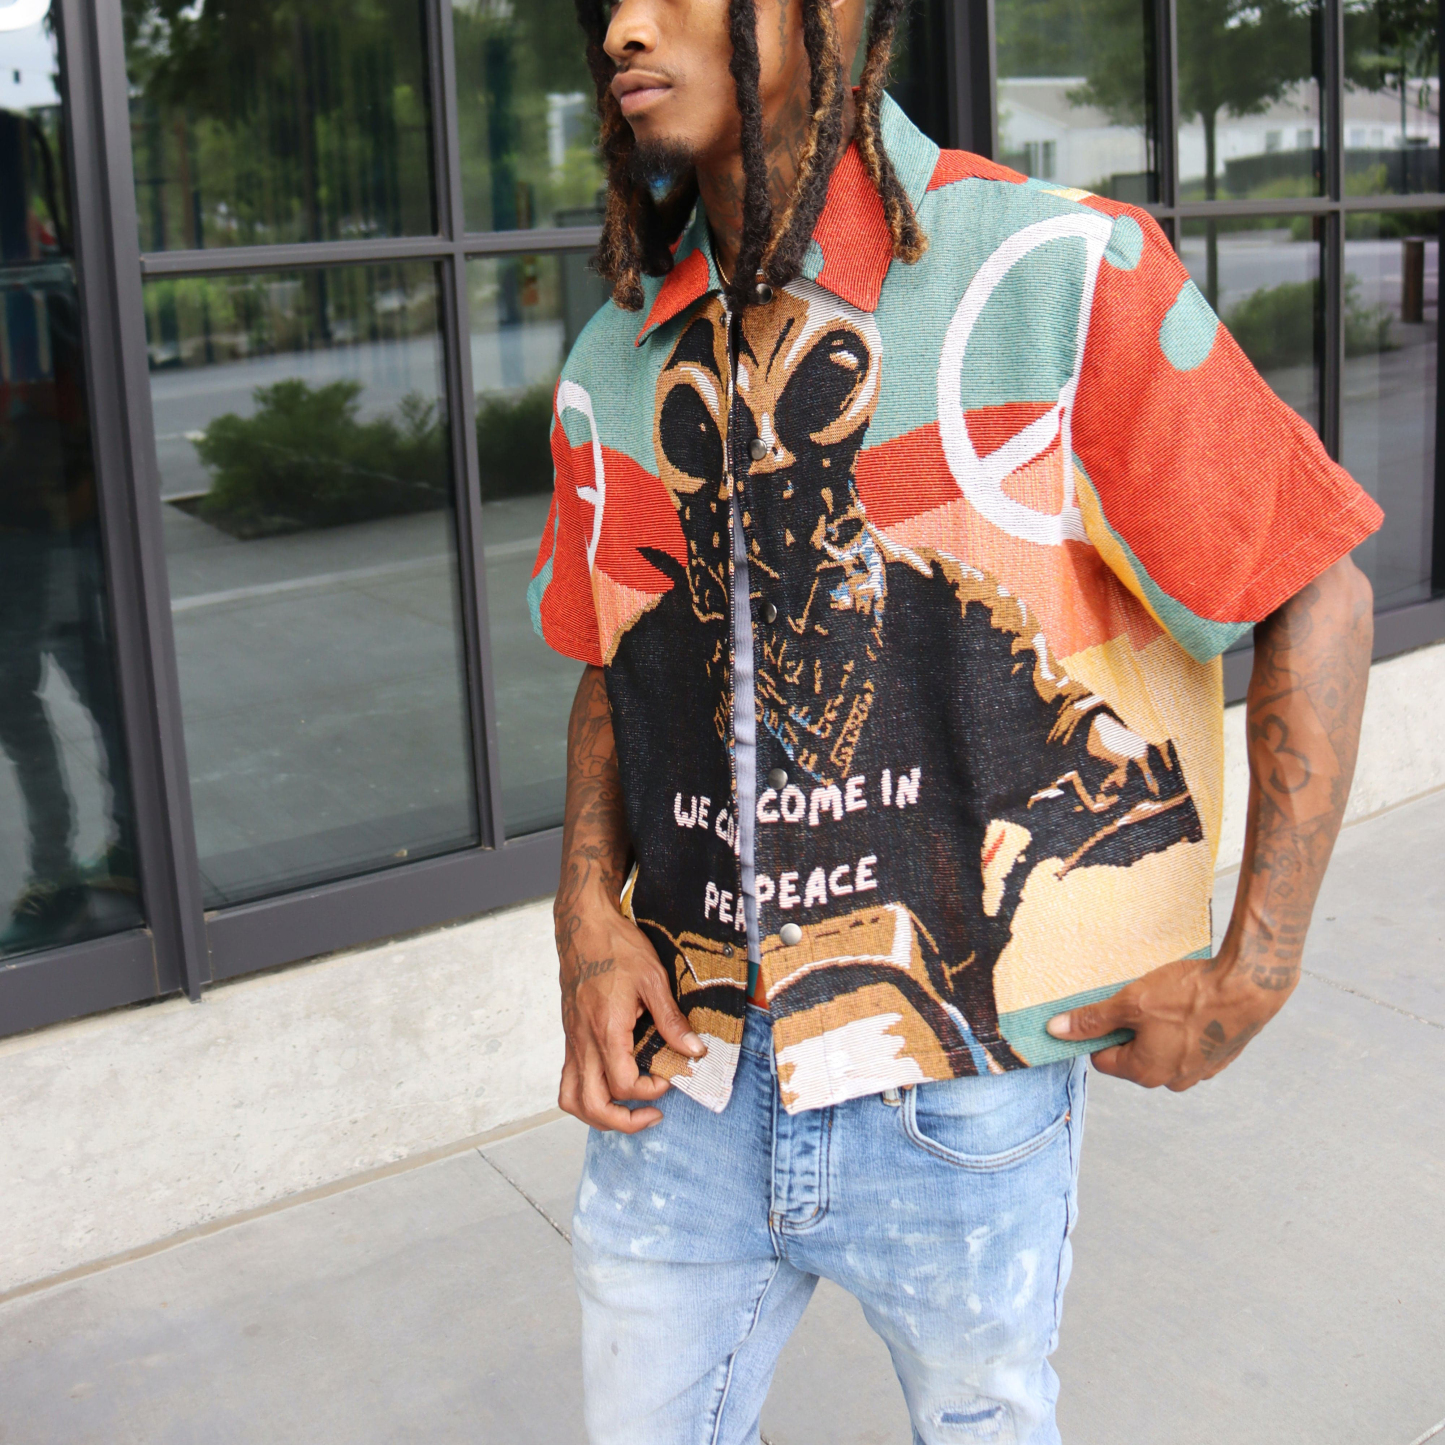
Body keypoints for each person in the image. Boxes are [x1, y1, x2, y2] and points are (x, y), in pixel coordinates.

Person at [528, 1, 1382, 1439]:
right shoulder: (615, 358)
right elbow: (612, 666)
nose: (621, 25)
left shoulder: (1060, 276)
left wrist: (1256, 967)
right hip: (685, 1083)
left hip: (957, 1095)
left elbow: (1315, 587)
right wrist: (585, 919)